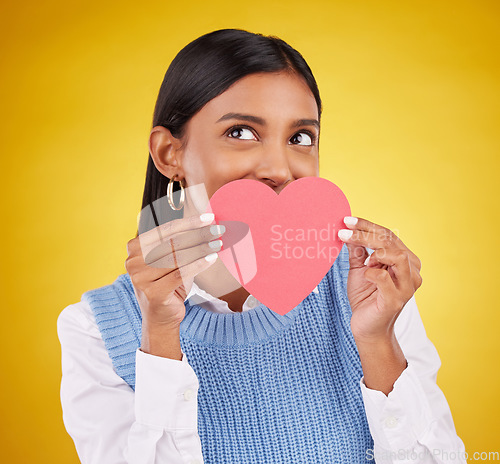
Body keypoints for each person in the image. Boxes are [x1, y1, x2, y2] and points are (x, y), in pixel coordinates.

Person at [57, 28, 467, 464]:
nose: (278, 168)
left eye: (300, 138)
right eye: (241, 132)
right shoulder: (96, 329)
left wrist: (377, 341)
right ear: (168, 153)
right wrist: (160, 332)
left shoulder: (370, 292)